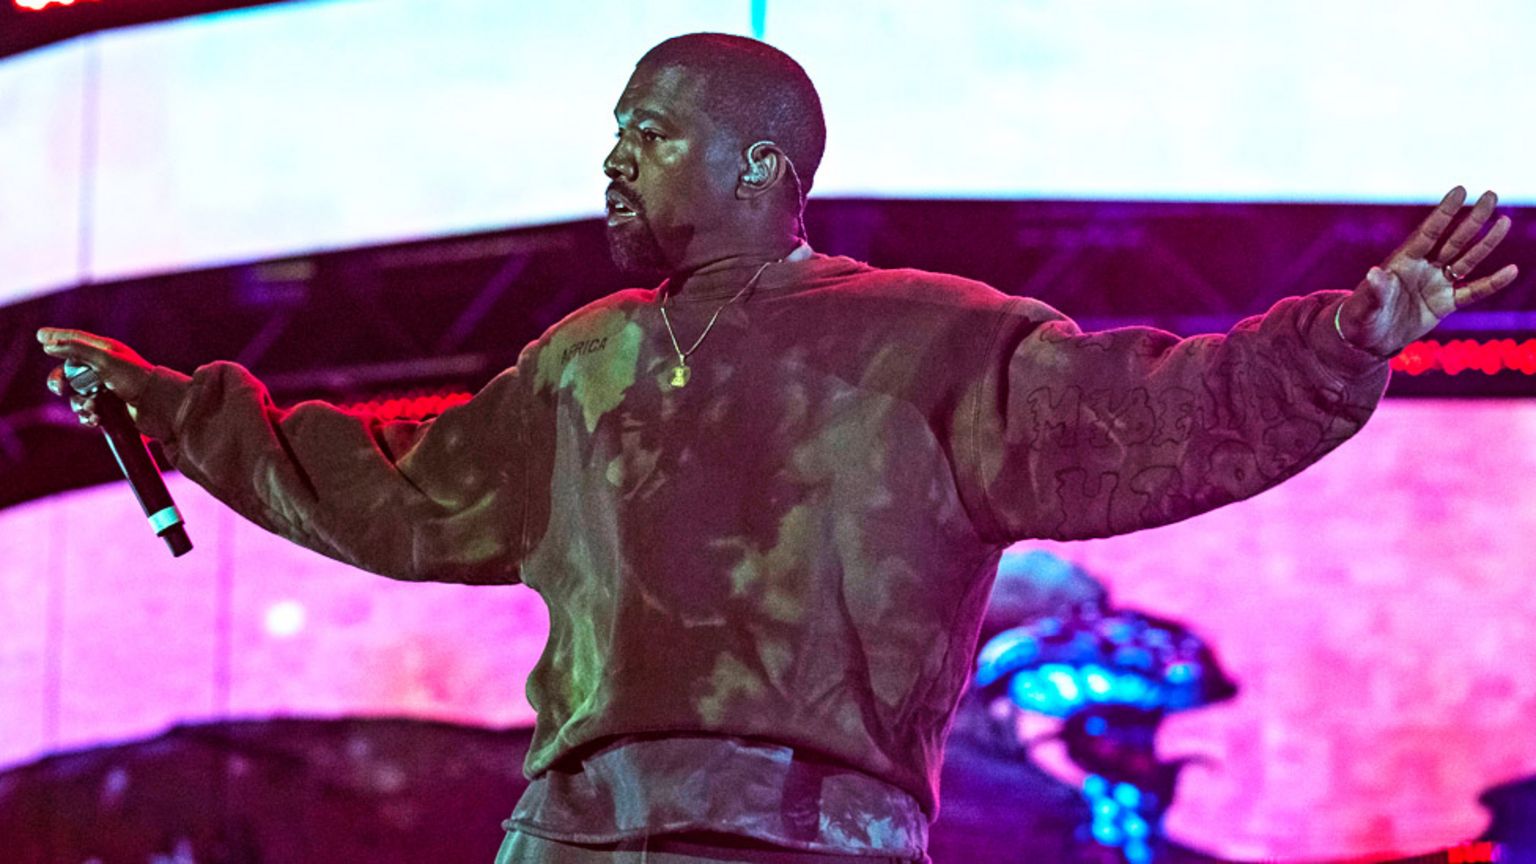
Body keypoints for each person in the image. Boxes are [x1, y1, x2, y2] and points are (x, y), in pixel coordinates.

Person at [36, 32, 1517, 864]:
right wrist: (170, 408)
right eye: (614, 131)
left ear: (761, 165)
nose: (613, 156)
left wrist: (1344, 340)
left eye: (649, 131)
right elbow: (395, 494)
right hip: (579, 839)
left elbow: (1159, 413)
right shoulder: (583, 359)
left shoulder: (936, 339)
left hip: (811, 843)